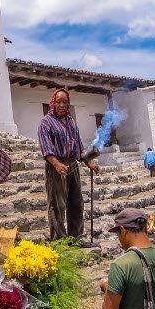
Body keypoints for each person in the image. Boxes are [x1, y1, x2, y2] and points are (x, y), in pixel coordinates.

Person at [38, 88, 99, 241]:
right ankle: (60, 241)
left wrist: (88, 163)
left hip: (73, 165)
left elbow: (78, 146)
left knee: (76, 203)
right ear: (53, 103)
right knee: (57, 206)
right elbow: (46, 149)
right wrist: (57, 164)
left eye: (65, 102)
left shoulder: (71, 122)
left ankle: (75, 239)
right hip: (56, 167)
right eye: (58, 102)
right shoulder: (46, 123)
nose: (62, 105)